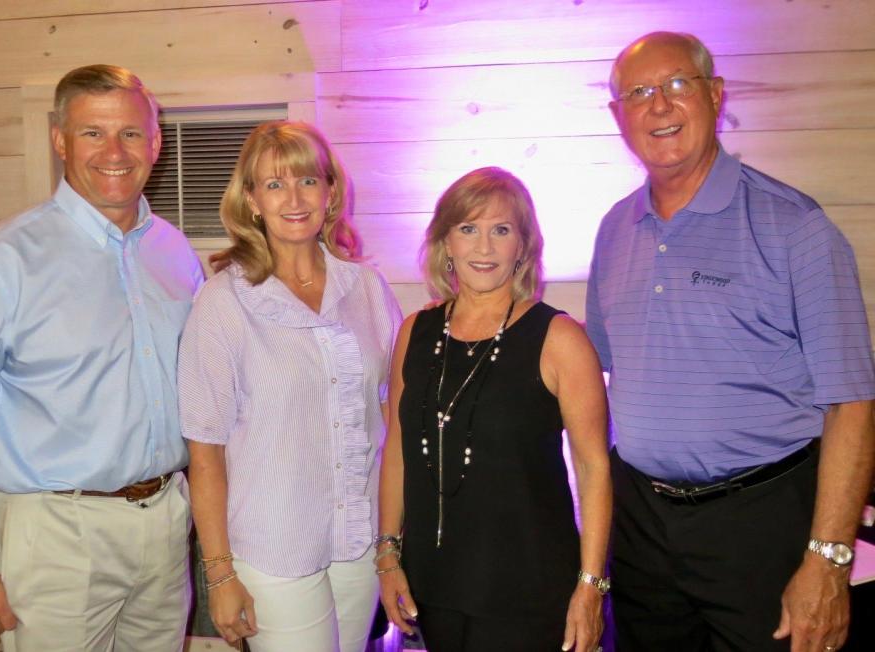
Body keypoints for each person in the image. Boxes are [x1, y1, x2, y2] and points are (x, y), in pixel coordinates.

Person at [586, 31, 875, 652]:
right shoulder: (613, 231)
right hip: (642, 528)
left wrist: (828, 559)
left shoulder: (795, 227)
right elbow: (598, 374)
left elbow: (851, 402)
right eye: (638, 93)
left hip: (763, 522)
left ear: (716, 96)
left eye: (676, 85)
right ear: (619, 117)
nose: (658, 105)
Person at [0, 65, 203, 651]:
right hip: (57, 535)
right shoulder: (1, 263)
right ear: (59, 140)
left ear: (155, 141)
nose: (114, 151)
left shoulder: (175, 253)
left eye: (129, 133)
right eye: (92, 133)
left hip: (167, 521)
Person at [178, 120, 402, 652]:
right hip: (274, 544)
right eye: (274, 184)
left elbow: (393, 416)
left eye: (306, 180)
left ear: (330, 192)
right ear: (251, 200)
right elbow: (204, 452)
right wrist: (219, 574)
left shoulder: (367, 289)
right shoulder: (222, 302)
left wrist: (392, 542)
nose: (294, 198)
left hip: (360, 539)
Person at [377, 167, 612, 652]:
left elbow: (594, 468)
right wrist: (388, 555)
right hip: (433, 584)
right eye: (468, 229)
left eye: (501, 230)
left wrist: (591, 586)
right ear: (446, 242)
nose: (483, 247)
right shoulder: (413, 333)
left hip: (528, 592)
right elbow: (397, 450)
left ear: (522, 246)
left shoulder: (559, 338)